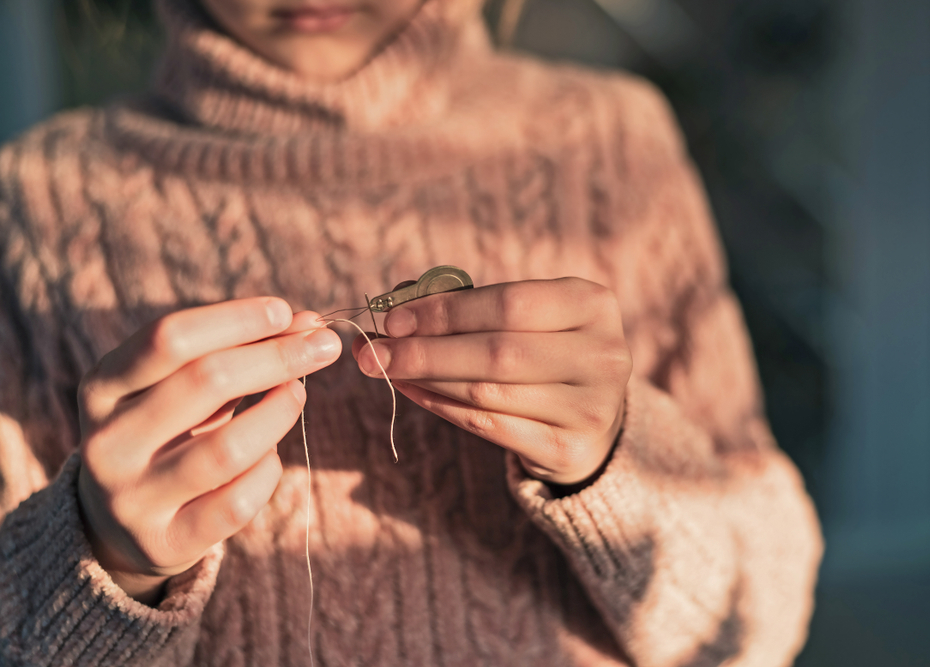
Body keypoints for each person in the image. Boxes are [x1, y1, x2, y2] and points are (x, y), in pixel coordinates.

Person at [0, 0, 823, 664]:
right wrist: (106, 560)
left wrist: (613, 461)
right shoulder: (36, 200)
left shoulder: (615, 144)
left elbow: (762, 624)